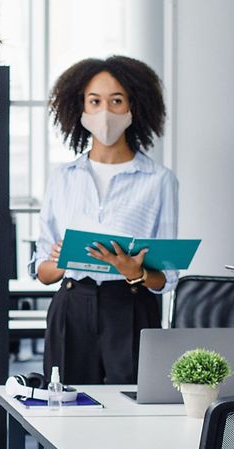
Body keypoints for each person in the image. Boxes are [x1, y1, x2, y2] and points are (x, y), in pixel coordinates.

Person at [32, 55, 178, 385]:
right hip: (72, 304)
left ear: (134, 107)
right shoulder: (63, 178)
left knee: (134, 411)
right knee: (64, 408)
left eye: (116, 101)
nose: (105, 113)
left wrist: (136, 272)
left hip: (131, 306)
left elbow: (167, 279)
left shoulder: (159, 180)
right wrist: (59, 262)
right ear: (79, 108)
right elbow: (42, 269)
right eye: (94, 102)